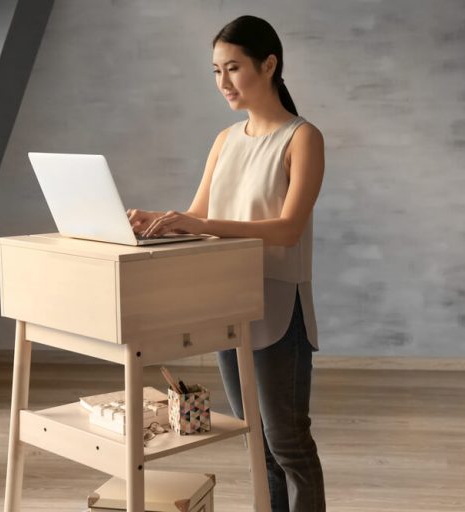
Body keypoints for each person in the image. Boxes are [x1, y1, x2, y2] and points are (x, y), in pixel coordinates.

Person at [126, 15, 326, 512]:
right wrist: (161, 219)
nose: (223, 83)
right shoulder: (225, 140)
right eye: (216, 72)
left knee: (288, 443)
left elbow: (287, 228)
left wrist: (202, 225)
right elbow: (199, 215)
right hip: (228, 303)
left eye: (233, 68)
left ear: (269, 64)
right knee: (255, 444)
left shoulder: (303, 138)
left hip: (280, 305)